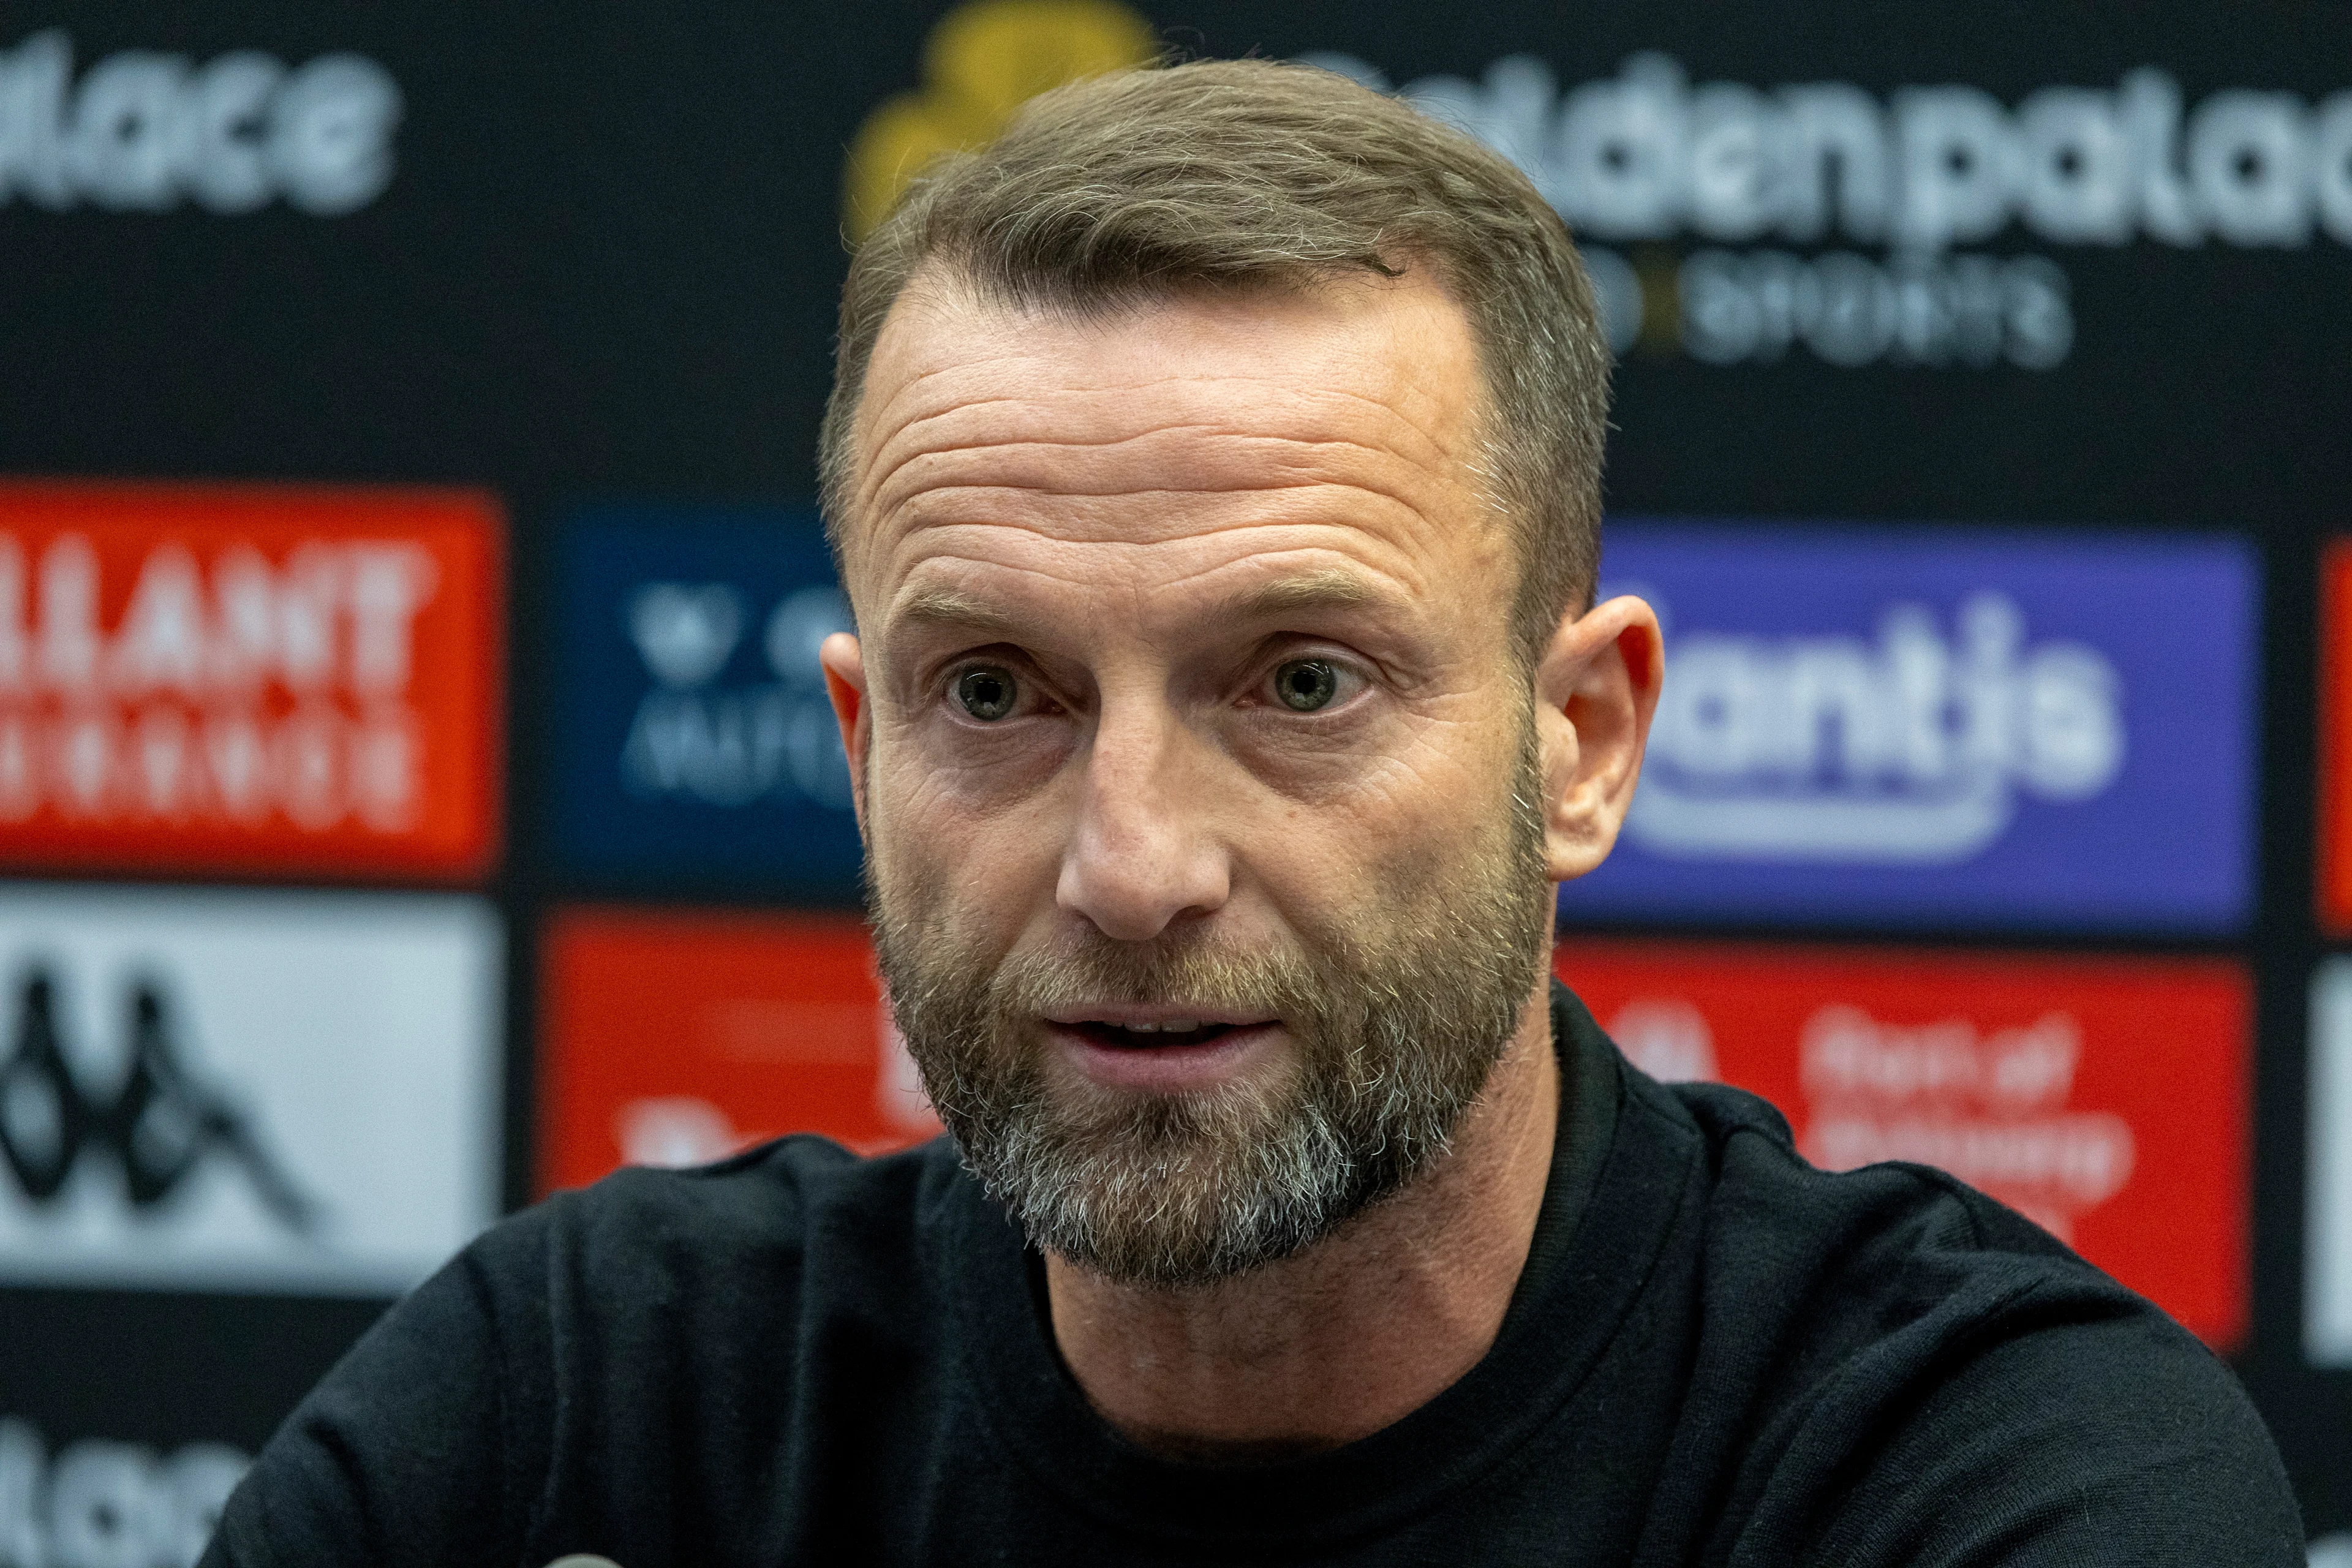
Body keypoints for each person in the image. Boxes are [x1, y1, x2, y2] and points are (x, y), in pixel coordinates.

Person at [202, 58, 2299, 1566]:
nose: (1132, 867)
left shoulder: (1983, 1476)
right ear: (860, 758)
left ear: (1578, 742)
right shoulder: (579, 1418)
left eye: (1301, 683)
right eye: (995, 693)